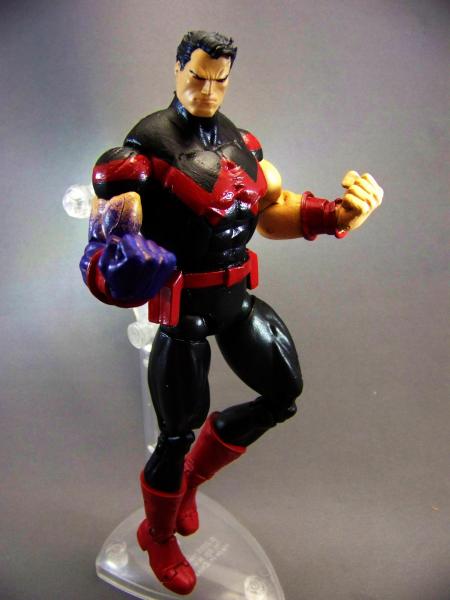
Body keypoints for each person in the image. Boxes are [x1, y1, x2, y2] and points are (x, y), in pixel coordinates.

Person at [80, 30, 383, 595]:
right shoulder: (140, 154)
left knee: (282, 394)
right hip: (183, 312)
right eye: (197, 76)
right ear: (178, 70)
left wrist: (336, 215)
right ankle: (158, 534)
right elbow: (103, 251)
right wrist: (122, 254)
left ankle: (190, 485)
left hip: (236, 297)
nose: (207, 90)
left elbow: (272, 210)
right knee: (176, 433)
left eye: (219, 80)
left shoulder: (243, 143)